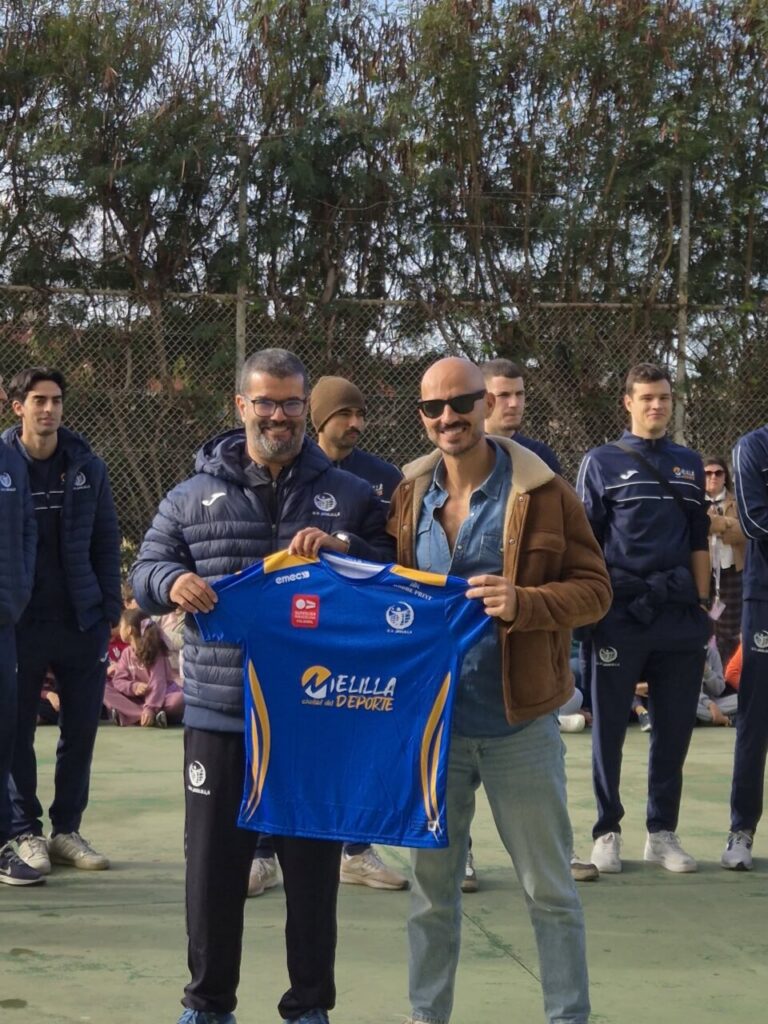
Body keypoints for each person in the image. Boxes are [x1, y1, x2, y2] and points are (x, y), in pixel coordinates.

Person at [130, 348, 394, 1024]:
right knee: (215, 872)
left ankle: (309, 1006)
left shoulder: (352, 495)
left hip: (314, 715)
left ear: (307, 407)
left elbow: (392, 573)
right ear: (241, 406)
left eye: (290, 402)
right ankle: (207, 1004)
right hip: (221, 712)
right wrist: (170, 583)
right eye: (265, 401)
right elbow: (148, 564)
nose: (278, 414)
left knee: (311, 874)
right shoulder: (192, 495)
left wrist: (345, 552)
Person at [387, 356, 611, 1024]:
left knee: (550, 892)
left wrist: (525, 602)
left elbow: (597, 591)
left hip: (521, 728)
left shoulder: (544, 492)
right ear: (422, 416)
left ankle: (567, 1016)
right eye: (434, 408)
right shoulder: (408, 496)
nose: (449, 418)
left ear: (486, 404)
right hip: (437, 732)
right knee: (431, 895)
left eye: (461, 403)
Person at [576, 362, 710, 874]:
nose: (657, 406)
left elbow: (699, 538)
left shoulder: (690, 464)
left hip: (678, 616)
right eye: (647, 398)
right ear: (628, 403)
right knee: (609, 726)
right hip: (620, 614)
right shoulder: (600, 462)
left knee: (674, 728)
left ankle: (662, 833)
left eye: (664, 398)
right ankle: (607, 830)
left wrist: (699, 602)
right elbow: (587, 543)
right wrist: (595, 609)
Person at [3, 366, 121, 875]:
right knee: (15, 732)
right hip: (20, 622)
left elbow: (105, 538)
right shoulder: (4, 466)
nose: (48, 409)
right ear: (17, 407)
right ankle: (24, 831)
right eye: (37, 400)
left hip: (81, 620)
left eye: (55, 400)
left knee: (80, 730)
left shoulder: (87, 465)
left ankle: (66, 830)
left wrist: (110, 611)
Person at [306, 373, 408, 891]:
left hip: (362, 626)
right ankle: (262, 852)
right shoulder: (292, 467)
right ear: (319, 419)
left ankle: (356, 850)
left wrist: (344, 543)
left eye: (359, 414)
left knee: (359, 737)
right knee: (290, 738)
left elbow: (391, 554)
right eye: (344, 414)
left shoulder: (382, 477)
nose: (356, 424)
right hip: (300, 627)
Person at [721, 423, 768, 870]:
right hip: (765, 598)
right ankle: (742, 830)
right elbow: (755, 521)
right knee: (755, 716)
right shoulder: (753, 446)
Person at [0, 375, 40, 886]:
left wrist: (17, 593)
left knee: (4, 734)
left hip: (3, 621)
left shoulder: (9, 460)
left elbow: (26, 529)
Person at [104, 608, 184, 727]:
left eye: (121, 626)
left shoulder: (156, 651)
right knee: (103, 688)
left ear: (129, 630)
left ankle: (132, 715)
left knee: (179, 699)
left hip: (161, 697)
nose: (119, 629)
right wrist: (133, 687)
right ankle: (145, 716)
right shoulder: (127, 653)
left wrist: (150, 707)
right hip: (137, 699)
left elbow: (158, 683)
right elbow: (118, 680)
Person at [480, 357, 562, 473]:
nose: (514, 403)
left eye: (519, 394)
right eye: (504, 395)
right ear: (485, 400)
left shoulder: (539, 455)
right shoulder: (467, 454)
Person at [704, 455, 746, 667]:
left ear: (725, 476)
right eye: (708, 472)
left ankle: (727, 674)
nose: (713, 477)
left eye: (718, 472)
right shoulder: (695, 501)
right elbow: (699, 527)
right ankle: (706, 676)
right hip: (702, 571)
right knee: (704, 624)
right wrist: (719, 524)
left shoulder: (737, 501)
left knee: (729, 629)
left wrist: (720, 524)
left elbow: (744, 532)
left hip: (730, 570)